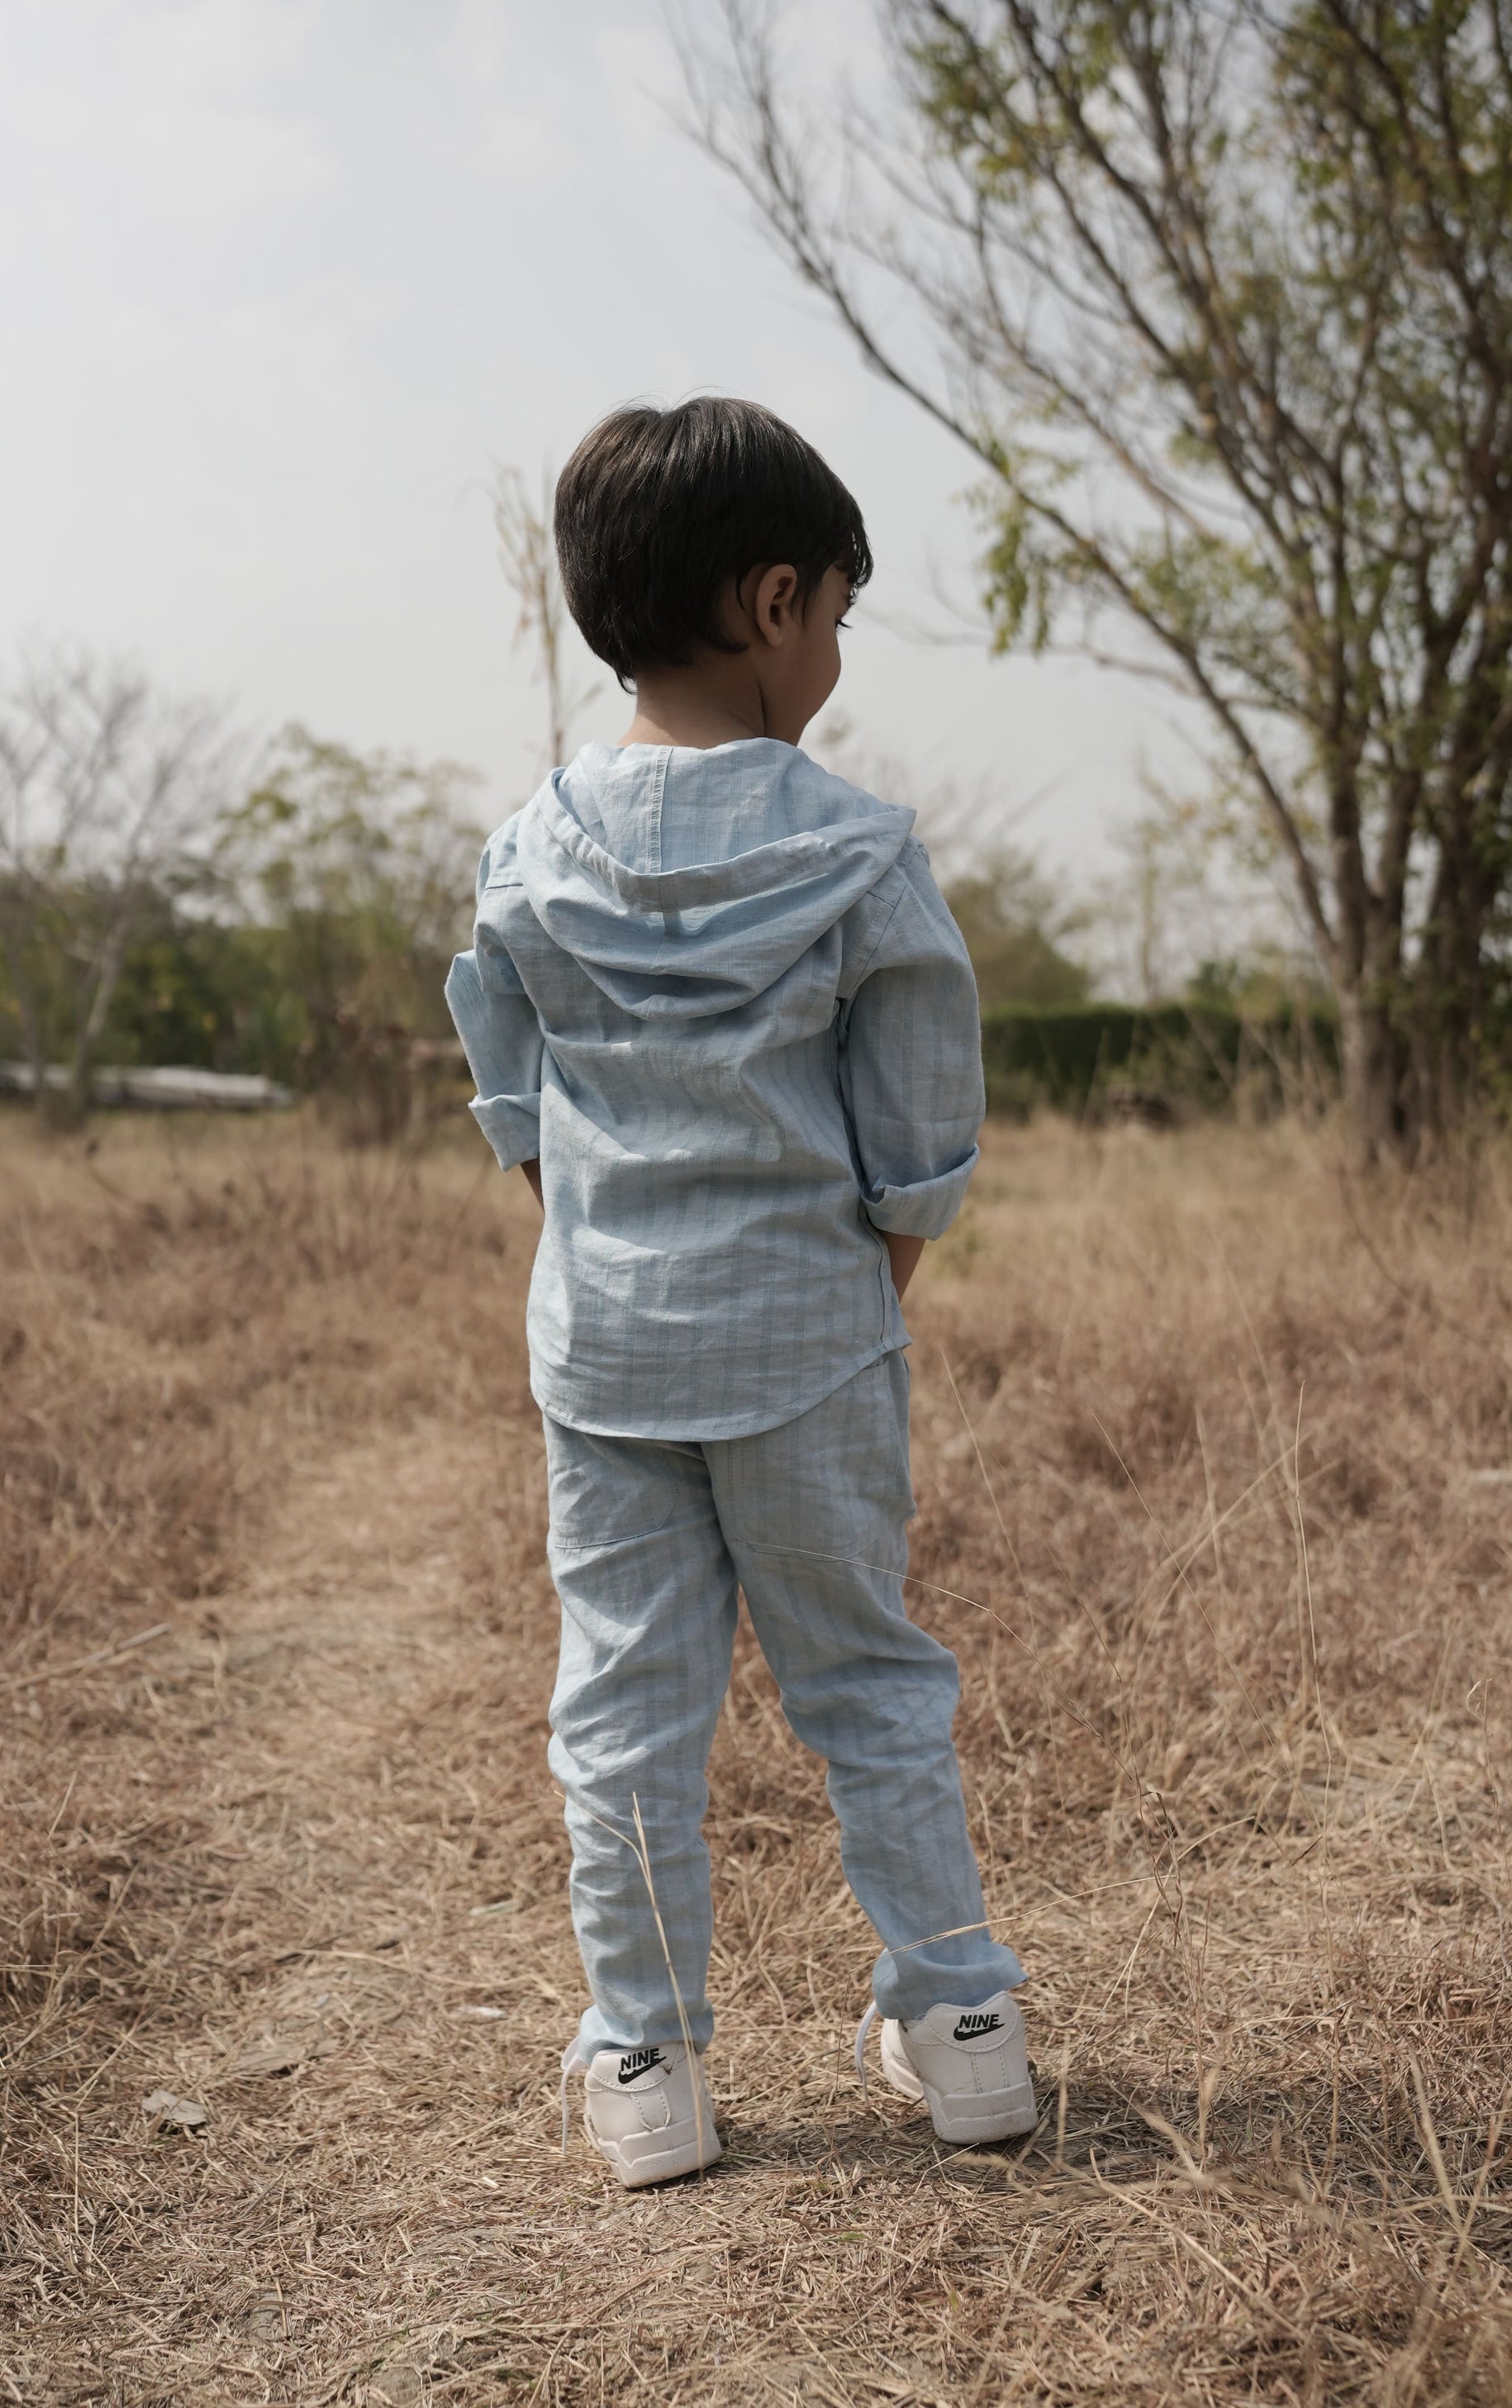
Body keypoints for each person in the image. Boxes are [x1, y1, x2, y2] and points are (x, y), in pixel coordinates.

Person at [446, 396, 1033, 2189]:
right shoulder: (857, 850)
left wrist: (599, 1242)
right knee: (865, 1679)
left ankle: (647, 2063)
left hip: (604, 1351)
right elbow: (922, 1114)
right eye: (840, 612)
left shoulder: (533, 849)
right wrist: (863, 1277)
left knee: (620, 1707)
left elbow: (508, 1080)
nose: (837, 652)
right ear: (772, 598)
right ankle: (961, 2029)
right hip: (812, 1344)